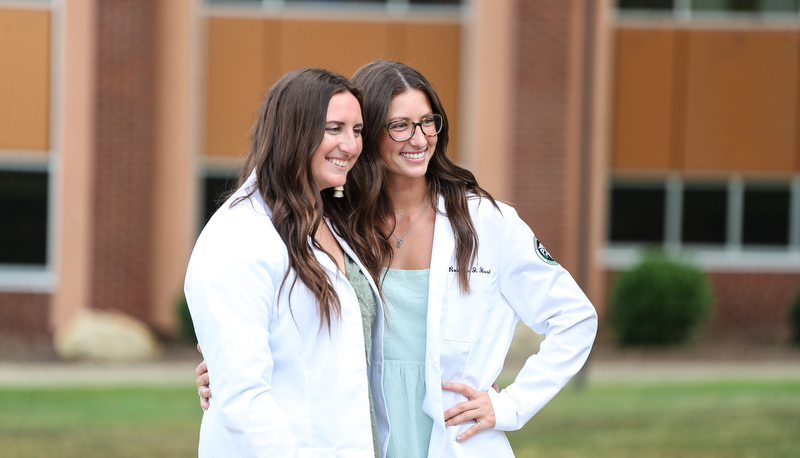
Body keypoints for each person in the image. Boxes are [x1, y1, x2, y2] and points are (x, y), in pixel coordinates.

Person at [197, 60, 598, 457]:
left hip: (456, 439)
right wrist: (225, 369)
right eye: (400, 125)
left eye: (428, 122)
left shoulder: (486, 223)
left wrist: (511, 404)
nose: (420, 138)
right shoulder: (334, 221)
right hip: (360, 434)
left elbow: (574, 317)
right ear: (371, 136)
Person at [185, 68, 389, 457]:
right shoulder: (239, 236)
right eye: (334, 128)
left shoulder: (335, 221)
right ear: (293, 131)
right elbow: (243, 400)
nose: (351, 145)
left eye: (357, 130)